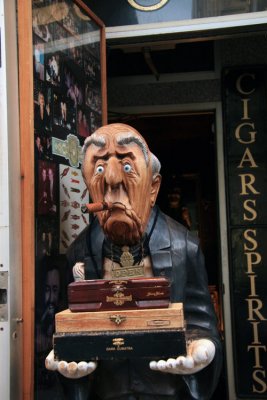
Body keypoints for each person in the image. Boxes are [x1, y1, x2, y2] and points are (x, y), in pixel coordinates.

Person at [46, 123, 222, 400]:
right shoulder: (79, 252)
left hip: (165, 389)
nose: (112, 181)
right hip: (108, 391)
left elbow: (201, 321)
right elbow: (69, 329)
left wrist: (203, 346)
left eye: (127, 167)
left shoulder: (183, 246)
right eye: (99, 170)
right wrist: (70, 363)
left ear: (153, 187)